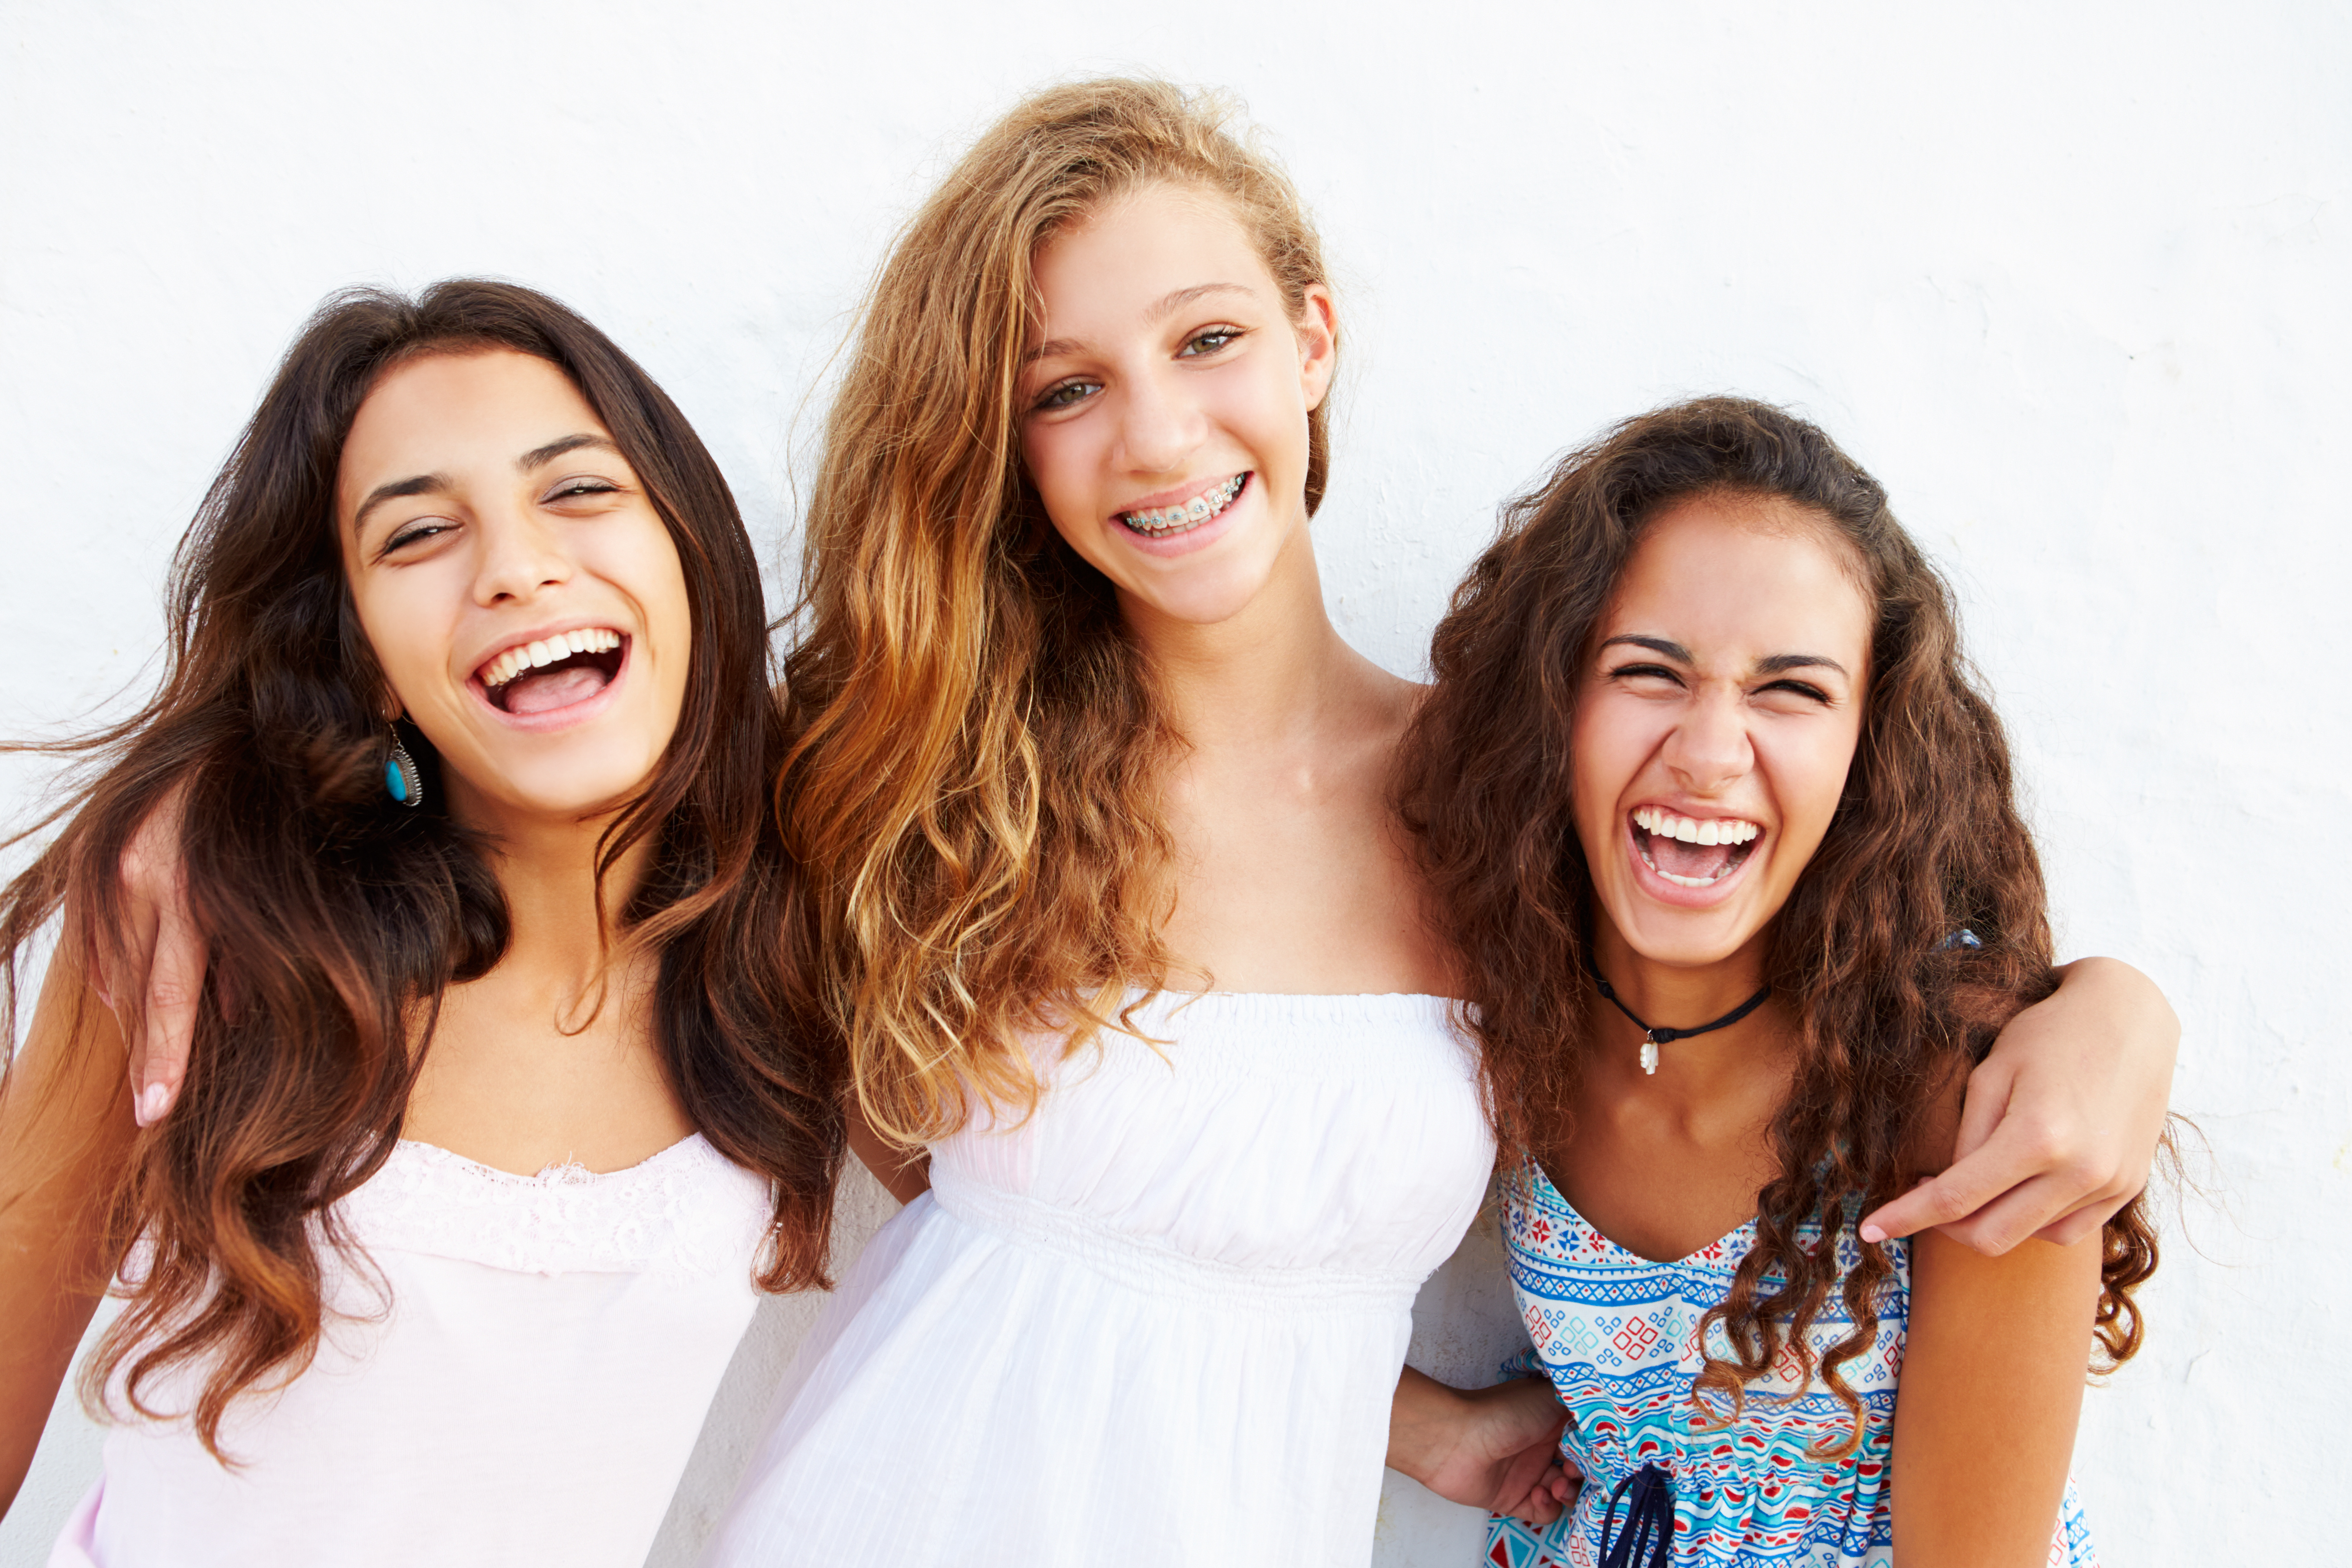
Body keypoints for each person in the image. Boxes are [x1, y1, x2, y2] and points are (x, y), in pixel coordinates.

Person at [702, 83, 2177, 1565]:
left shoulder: (1498, 803)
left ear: (1312, 343)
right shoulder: (958, 789)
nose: (1155, 436)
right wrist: (1421, 1423)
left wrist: (2119, 1010)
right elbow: (961, 1184)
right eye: (1063, 387)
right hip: (895, 1500)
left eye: (1207, 339)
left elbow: (1794, 953)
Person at [0, 281, 842, 1566]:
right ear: (368, 666)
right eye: (415, 536)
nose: (516, 568)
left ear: (689, 554)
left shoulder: (789, 926)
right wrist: (191, 799)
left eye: (575, 491)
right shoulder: (206, 932)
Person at [1387, 398, 2160, 1567]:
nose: (1708, 752)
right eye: (1650, 671)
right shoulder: (1509, 998)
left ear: (1871, 748)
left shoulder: (1973, 1094)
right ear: (1553, 701)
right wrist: (1429, 1427)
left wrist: (2124, 1000)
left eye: (1791, 690)